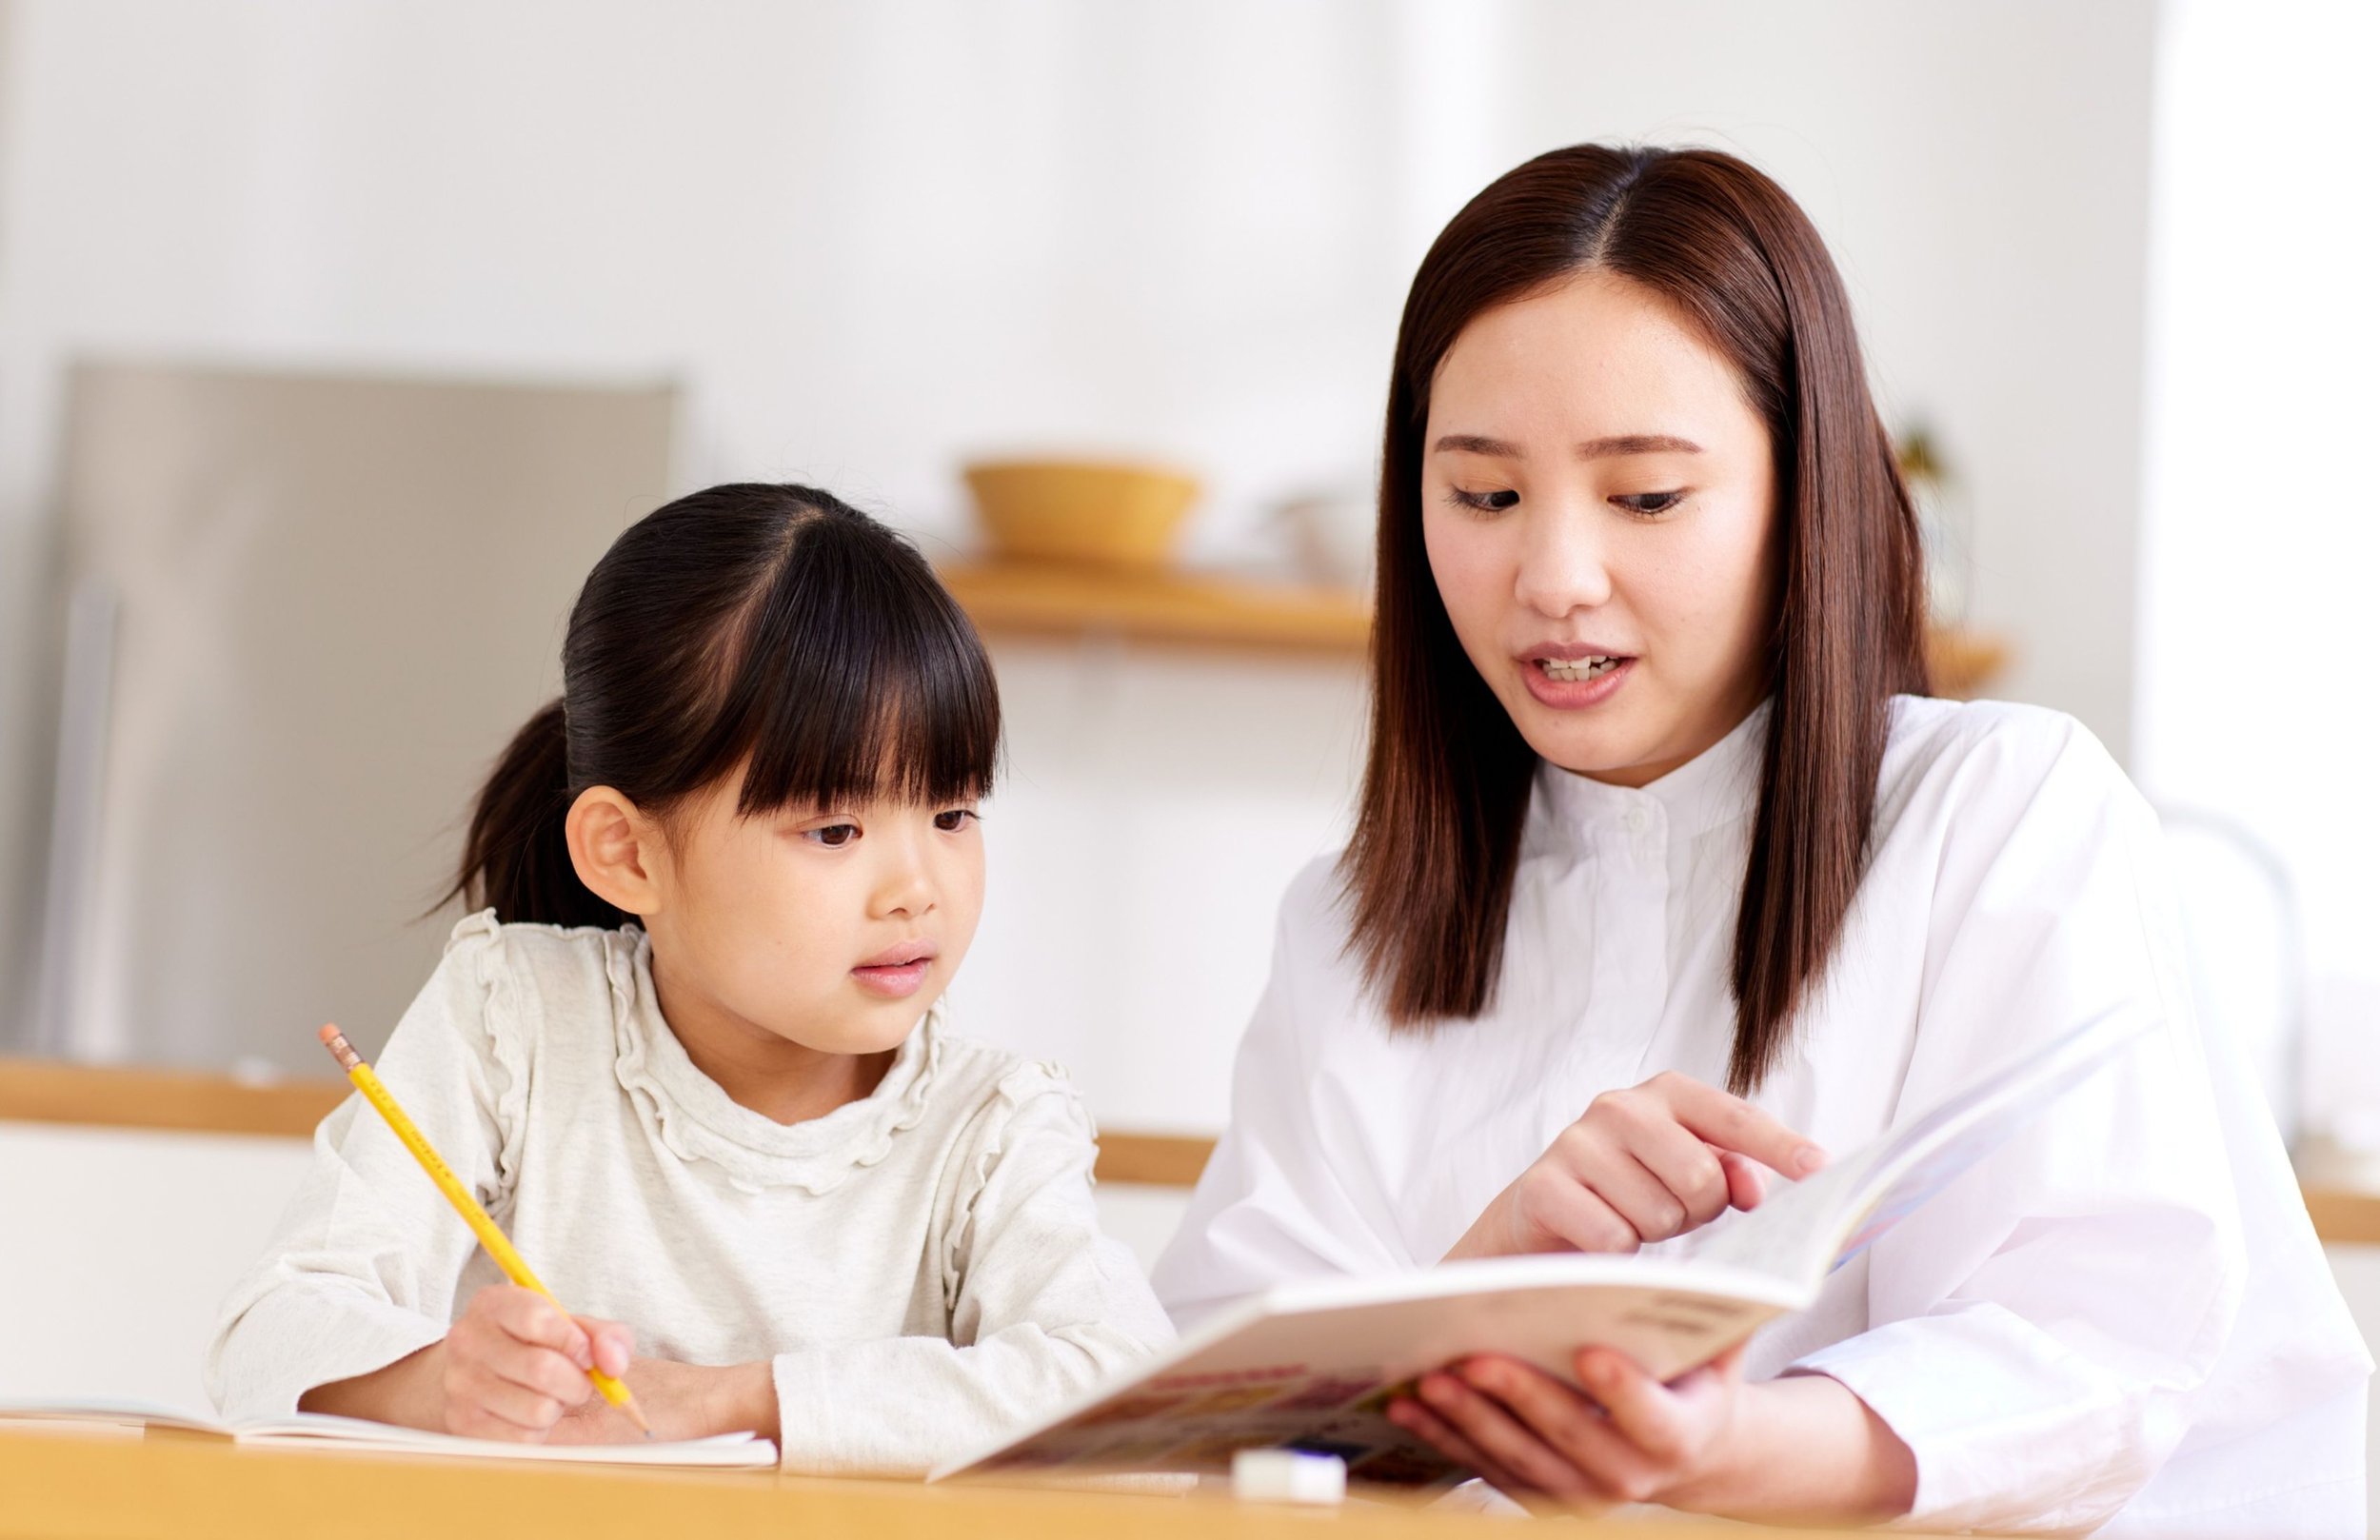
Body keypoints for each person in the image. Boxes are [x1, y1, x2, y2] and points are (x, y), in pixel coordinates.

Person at [1150, 145, 2370, 1534]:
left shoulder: (1997, 811)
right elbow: (1216, 1447)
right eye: (1484, 496)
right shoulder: (1349, 923)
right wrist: (1482, 1281)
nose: (1553, 578)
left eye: (1646, 497)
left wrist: (1709, 1442)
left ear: (1805, 495)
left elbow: (2088, 1350)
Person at [208, 484, 1171, 1473]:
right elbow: (269, 1331)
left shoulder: (991, 1127)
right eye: (835, 830)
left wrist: (732, 1400)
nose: (917, 890)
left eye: (952, 814)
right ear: (627, 853)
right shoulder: (516, 1022)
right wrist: (441, 1381)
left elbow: (1123, 1386)